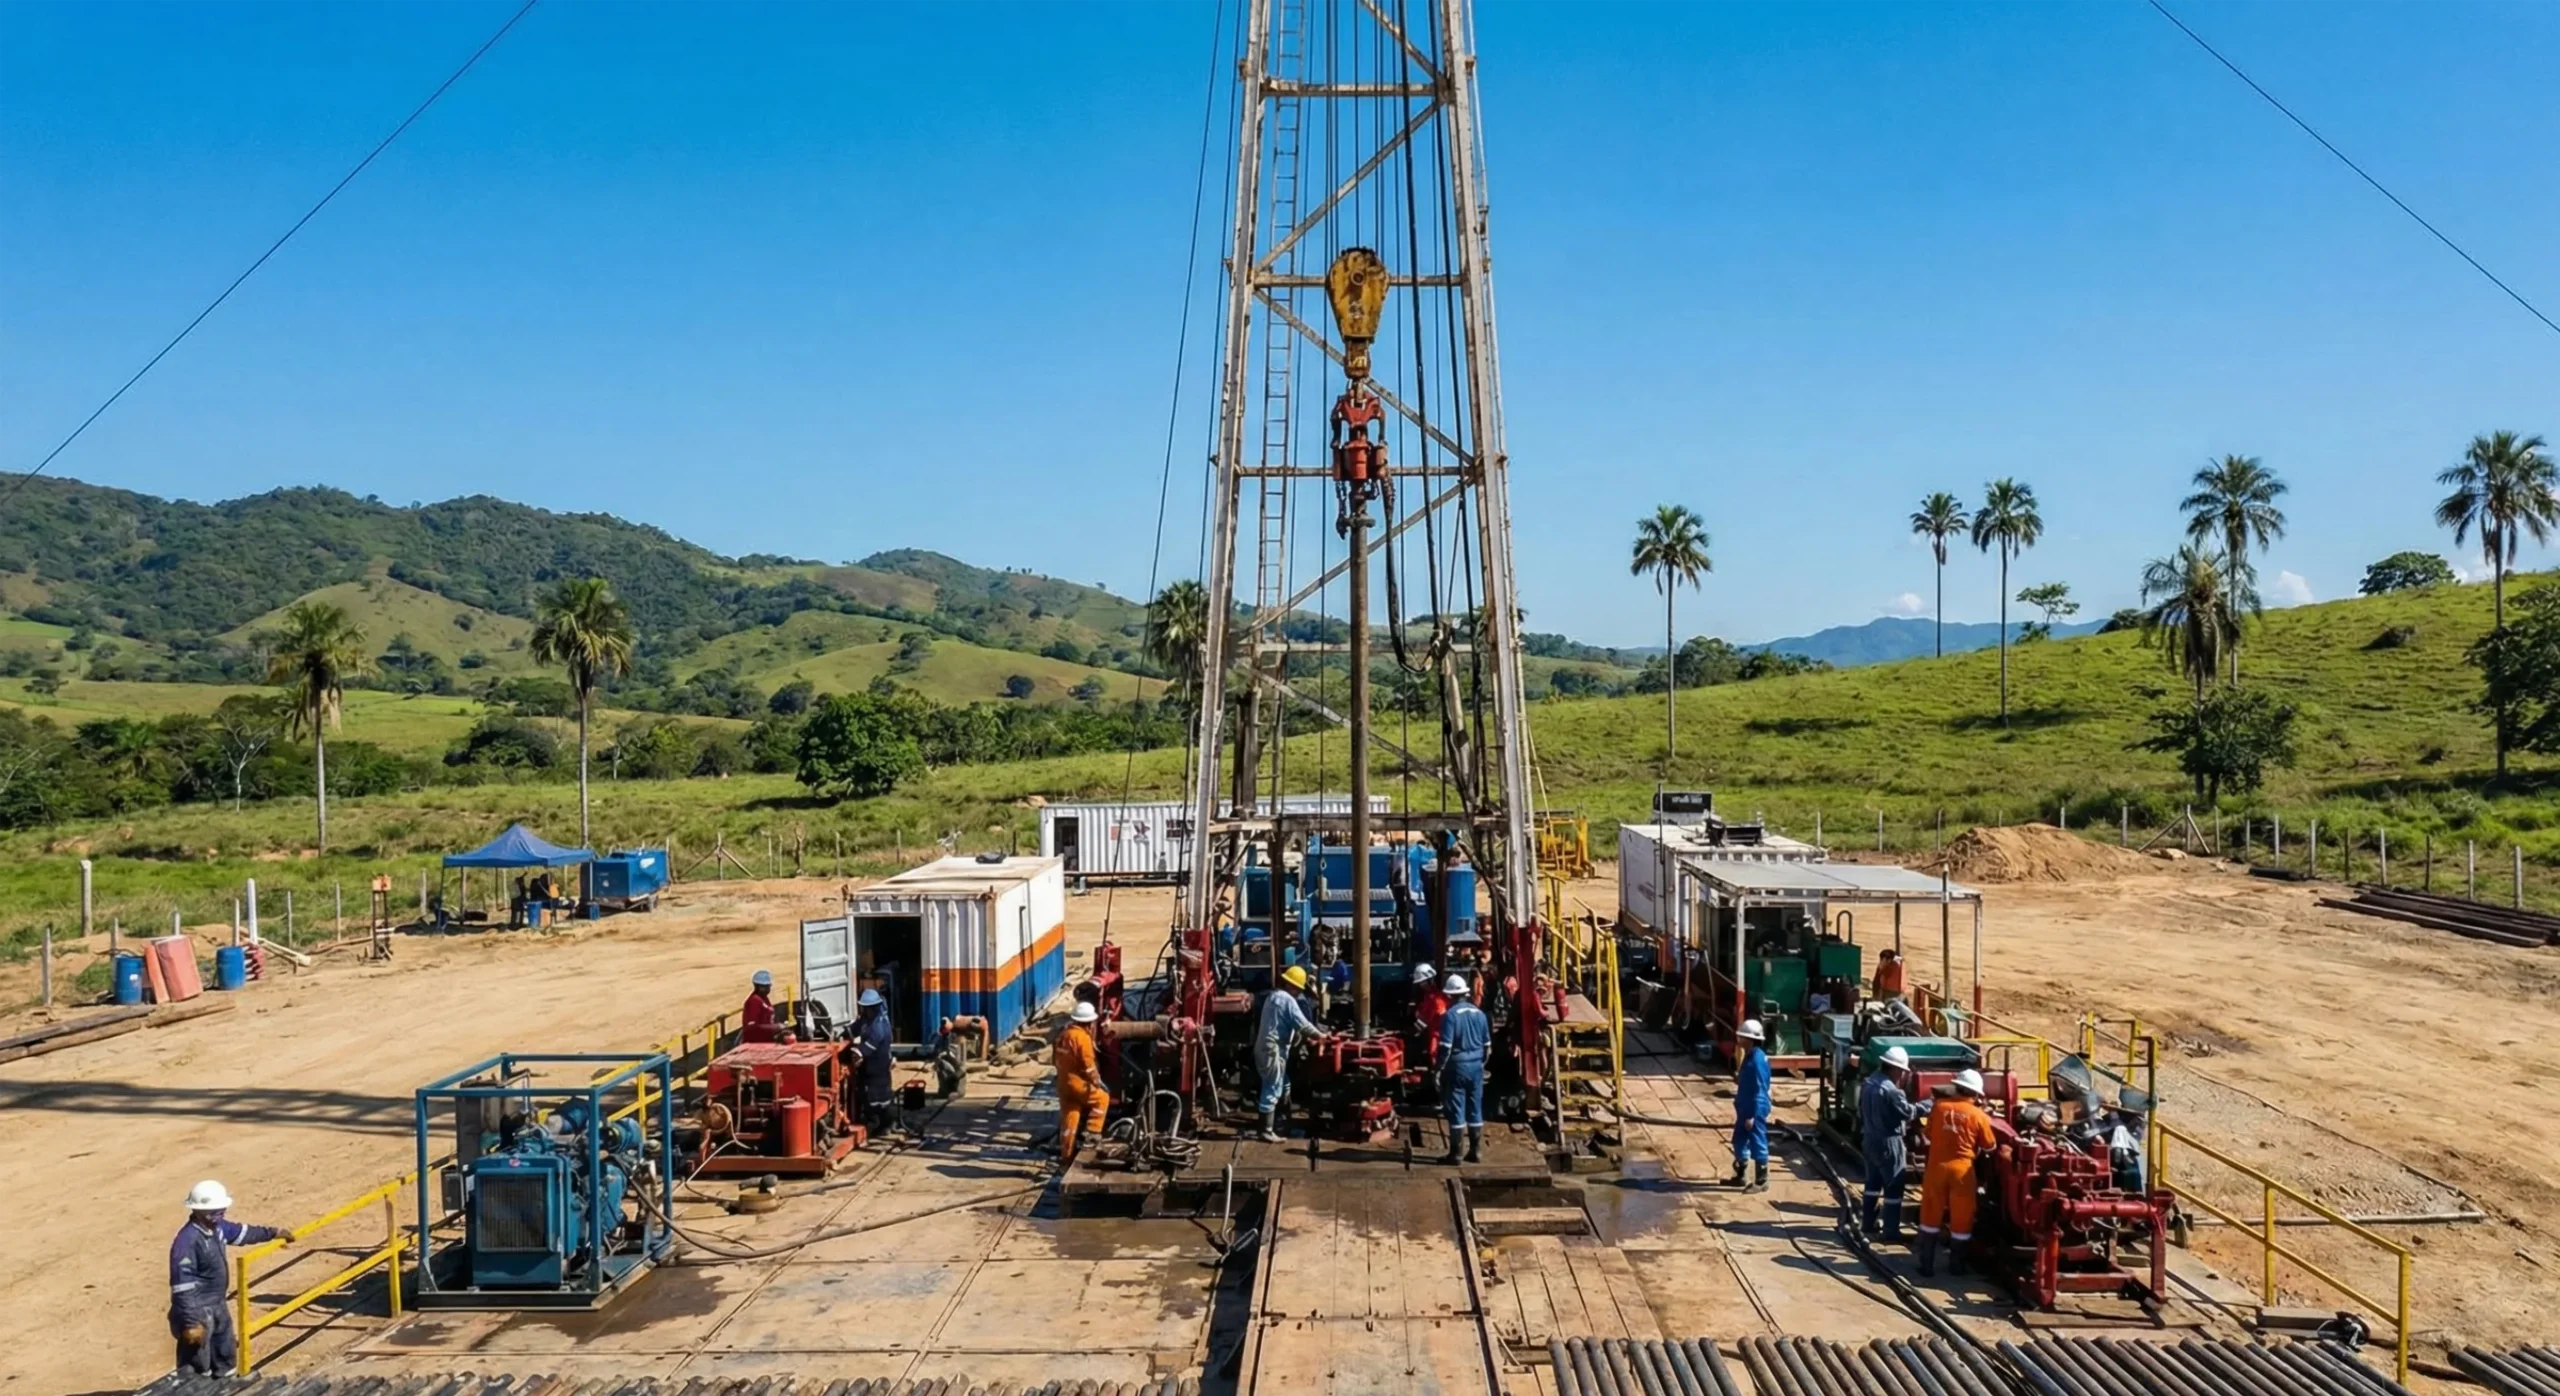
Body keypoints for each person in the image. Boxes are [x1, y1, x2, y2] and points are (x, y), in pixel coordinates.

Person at [169, 1180, 293, 1376]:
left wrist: (272, 1233)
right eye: (216, 1210)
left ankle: (226, 1383)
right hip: (198, 1309)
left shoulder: (218, 1228)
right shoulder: (187, 1241)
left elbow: (242, 1233)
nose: (221, 1212)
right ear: (199, 1211)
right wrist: (191, 1322)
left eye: (222, 1208)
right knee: (196, 1364)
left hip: (218, 1305)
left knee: (225, 1353)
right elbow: (182, 1286)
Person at [1916, 1067, 1999, 1277]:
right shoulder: (1978, 1115)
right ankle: (1956, 1266)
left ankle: (1926, 1265)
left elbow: (1928, 1135)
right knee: (1961, 1218)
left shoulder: (1938, 1107)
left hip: (1936, 1169)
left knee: (1930, 1214)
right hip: (1962, 1172)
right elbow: (1990, 1146)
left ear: (1957, 1088)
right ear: (1976, 1094)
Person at [1255, 965, 1320, 1141]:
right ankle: (1266, 1130)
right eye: (1299, 989)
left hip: (1265, 1047)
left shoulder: (1272, 996)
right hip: (1273, 1049)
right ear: (1293, 986)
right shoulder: (1287, 1000)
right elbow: (1303, 1024)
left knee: (1284, 1085)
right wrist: (1322, 1036)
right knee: (1272, 1086)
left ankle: (1283, 1123)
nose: (1300, 992)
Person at [1858, 1046, 1917, 1240]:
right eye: (1902, 1071)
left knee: (1872, 1184)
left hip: (1869, 1139)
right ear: (1895, 1068)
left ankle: (1868, 1223)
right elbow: (1908, 1112)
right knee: (1893, 1187)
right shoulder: (1892, 1091)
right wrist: (1930, 1104)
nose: (1903, 1075)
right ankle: (1891, 1231)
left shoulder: (1868, 1083)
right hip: (1889, 1142)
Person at [1436, 974, 1491, 1164]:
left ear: (1450, 996)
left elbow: (1445, 1048)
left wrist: (1438, 1070)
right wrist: (1480, 1064)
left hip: (1457, 1067)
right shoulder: (1480, 1014)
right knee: (1475, 1107)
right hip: (1476, 1067)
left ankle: (1456, 1154)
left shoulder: (1450, 1016)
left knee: (1456, 1108)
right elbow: (1487, 1047)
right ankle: (1476, 1152)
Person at [1055, 1000, 1109, 1165]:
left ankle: (1066, 1156)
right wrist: (1098, 1082)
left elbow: (1054, 1059)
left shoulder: (1063, 1035)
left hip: (1063, 1084)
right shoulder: (1082, 1038)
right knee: (1102, 1099)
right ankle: (1091, 1135)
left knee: (1070, 1118)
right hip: (1078, 1084)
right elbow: (1088, 1066)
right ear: (1088, 1022)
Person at [1729, 1019, 1771, 1191]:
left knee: (1757, 1139)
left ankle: (1762, 1180)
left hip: (1755, 1108)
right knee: (1739, 1139)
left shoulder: (1757, 1061)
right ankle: (1741, 1174)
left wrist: (1753, 1115)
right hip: (1745, 1106)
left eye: (1742, 1036)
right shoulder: (1750, 1056)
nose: (1739, 1039)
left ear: (1751, 1039)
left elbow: (1760, 1089)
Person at [853, 987, 895, 1133]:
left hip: (879, 1065)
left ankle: (885, 1123)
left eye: (866, 1008)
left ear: (873, 1008)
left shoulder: (879, 1025)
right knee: (867, 1094)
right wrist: (844, 1033)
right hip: (869, 1067)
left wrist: (858, 1051)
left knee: (879, 1098)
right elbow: (856, 1028)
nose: (864, 1011)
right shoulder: (866, 1020)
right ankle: (874, 1119)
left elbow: (870, 1045)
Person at [1409, 962, 1449, 1062]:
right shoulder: (1430, 996)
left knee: (1434, 1054)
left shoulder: (1436, 999)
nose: (1421, 986)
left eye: (1423, 983)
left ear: (1430, 980)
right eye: (1420, 984)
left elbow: (1426, 1019)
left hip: (1439, 1033)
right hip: (1434, 1032)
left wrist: (1414, 1030)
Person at [741, 969, 782, 1044]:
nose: (769, 989)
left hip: (766, 1042)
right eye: (767, 986)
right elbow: (751, 1027)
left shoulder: (764, 998)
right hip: (755, 1044)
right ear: (758, 987)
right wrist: (774, 1028)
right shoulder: (754, 1001)